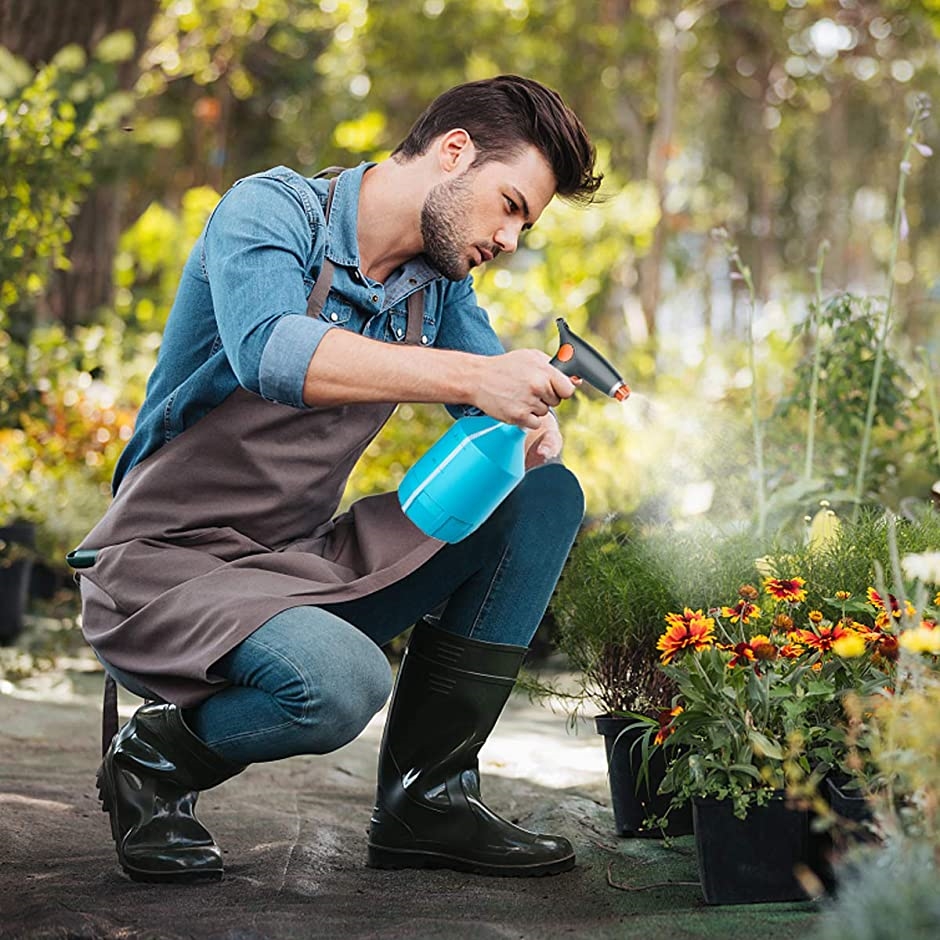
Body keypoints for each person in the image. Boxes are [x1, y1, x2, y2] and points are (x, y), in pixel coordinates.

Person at [75, 74, 602, 884]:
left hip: (297, 560)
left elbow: (489, 397)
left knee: (543, 495)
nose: (510, 238)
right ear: (453, 152)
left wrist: (524, 423)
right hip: (169, 563)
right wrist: (471, 376)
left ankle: (427, 798)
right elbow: (273, 352)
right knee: (339, 684)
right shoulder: (272, 212)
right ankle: (154, 759)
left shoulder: (438, 289)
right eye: (510, 205)